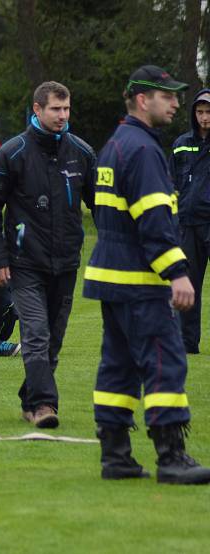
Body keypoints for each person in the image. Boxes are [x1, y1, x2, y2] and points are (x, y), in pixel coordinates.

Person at [84, 65, 210, 484]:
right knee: (164, 364)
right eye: (168, 96)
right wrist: (177, 272)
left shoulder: (116, 145)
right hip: (141, 283)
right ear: (143, 100)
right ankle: (171, 456)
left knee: (117, 368)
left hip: (112, 279)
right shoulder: (144, 150)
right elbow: (154, 220)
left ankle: (115, 456)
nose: (177, 104)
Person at [0, 81, 96, 429]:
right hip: (24, 262)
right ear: (37, 109)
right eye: (56, 109)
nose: (63, 115)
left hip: (67, 261)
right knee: (37, 334)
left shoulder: (82, 153)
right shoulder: (12, 153)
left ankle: (31, 399)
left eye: (67, 109)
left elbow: (101, 204)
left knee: (54, 339)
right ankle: (44, 405)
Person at [170, 87, 210, 354]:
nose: (204, 117)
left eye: (208, 112)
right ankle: (187, 343)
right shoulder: (181, 143)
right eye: (200, 112)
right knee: (189, 284)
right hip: (187, 224)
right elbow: (171, 183)